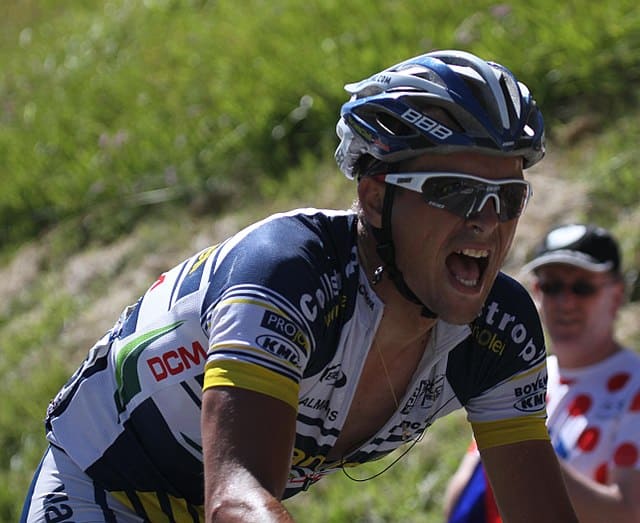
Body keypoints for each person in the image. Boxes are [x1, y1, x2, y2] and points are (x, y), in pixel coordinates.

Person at [21, 50, 578, 523]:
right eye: (455, 192)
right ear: (376, 198)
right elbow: (235, 499)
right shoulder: (289, 273)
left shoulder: (501, 331)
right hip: (105, 485)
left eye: (508, 198)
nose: (487, 221)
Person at [444, 223, 640, 523]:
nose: (565, 302)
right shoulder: (516, 375)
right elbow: (463, 499)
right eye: (552, 287)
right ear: (536, 293)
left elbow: (629, 513)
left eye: (582, 288)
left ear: (616, 295)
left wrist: (525, 451)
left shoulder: (635, 387)